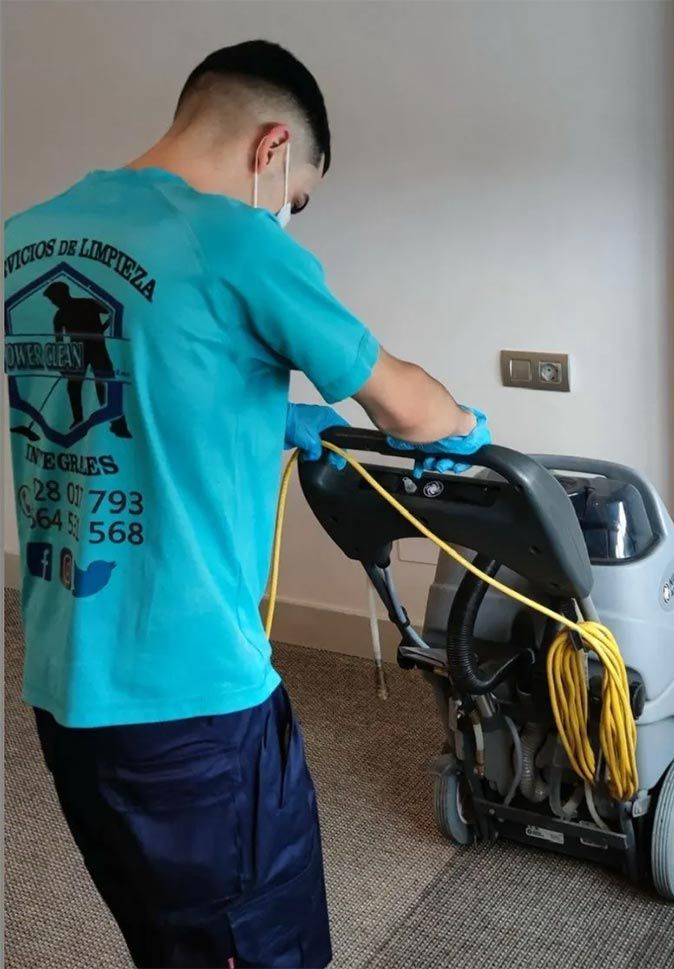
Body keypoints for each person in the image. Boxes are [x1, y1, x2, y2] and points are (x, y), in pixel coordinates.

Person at [4, 39, 490, 968]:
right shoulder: (235, 239)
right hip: (193, 711)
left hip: (66, 689)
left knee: (166, 934)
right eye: (297, 198)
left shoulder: (32, 233)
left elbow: (115, 401)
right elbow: (402, 402)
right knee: (263, 949)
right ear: (272, 150)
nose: (288, 217)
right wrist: (465, 418)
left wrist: (265, 418)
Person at [43, 281, 132, 437]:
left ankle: (117, 424)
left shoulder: (88, 303)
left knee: (104, 384)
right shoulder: (59, 316)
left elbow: (113, 311)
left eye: (53, 298)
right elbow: (59, 342)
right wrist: (62, 364)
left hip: (97, 348)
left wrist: (102, 329)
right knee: (73, 387)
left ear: (63, 294)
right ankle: (78, 419)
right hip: (77, 353)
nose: (53, 302)